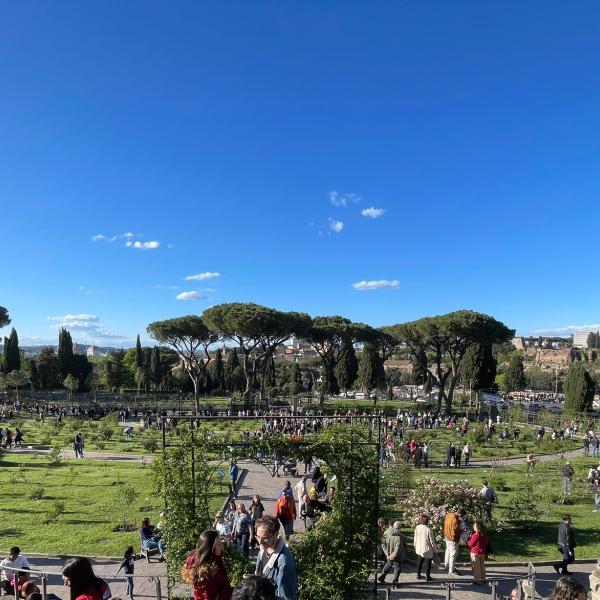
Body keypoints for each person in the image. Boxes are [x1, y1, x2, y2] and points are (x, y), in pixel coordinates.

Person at [181, 529, 233, 600]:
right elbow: (209, 597)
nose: (222, 546)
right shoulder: (205, 571)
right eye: (218, 544)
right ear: (209, 548)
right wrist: (234, 592)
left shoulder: (214, 559)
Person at [255, 515, 297, 600]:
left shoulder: (284, 561)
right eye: (257, 537)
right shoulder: (262, 550)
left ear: (276, 534)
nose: (260, 542)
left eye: (264, 538)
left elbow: (286, 597)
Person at [378, 520, 405, 587]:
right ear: (399, 528)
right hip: (396, 555)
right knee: (397, 567)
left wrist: (387, 553)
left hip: (389, 554)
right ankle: (395, 583)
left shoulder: (386, 532)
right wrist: (392, 556)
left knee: (388, 564)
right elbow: (398, 549)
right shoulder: (399, 537)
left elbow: (383, 544)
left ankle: (381, 577)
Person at [413, 513, 437, 582]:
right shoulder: (429, 529)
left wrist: (415, 545)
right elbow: (432, 541)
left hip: (419, 547)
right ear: (427, 521)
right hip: (427, 549)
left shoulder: (417, 527)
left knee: (420, 561)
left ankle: (418, 574)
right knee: (428, 563)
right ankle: (427, 576)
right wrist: (435, 550)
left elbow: (415, 538)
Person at [443, 509, 465, 576]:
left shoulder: (448, 515)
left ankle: (446, 566)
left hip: (446, 536)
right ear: (460, 514)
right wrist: (461, 531)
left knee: (448, 551)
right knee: (453, 554)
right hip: (453, 539)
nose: (461, 517)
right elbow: (455, 532)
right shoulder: (455, 521)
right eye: (461, 516)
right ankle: (451, 570)